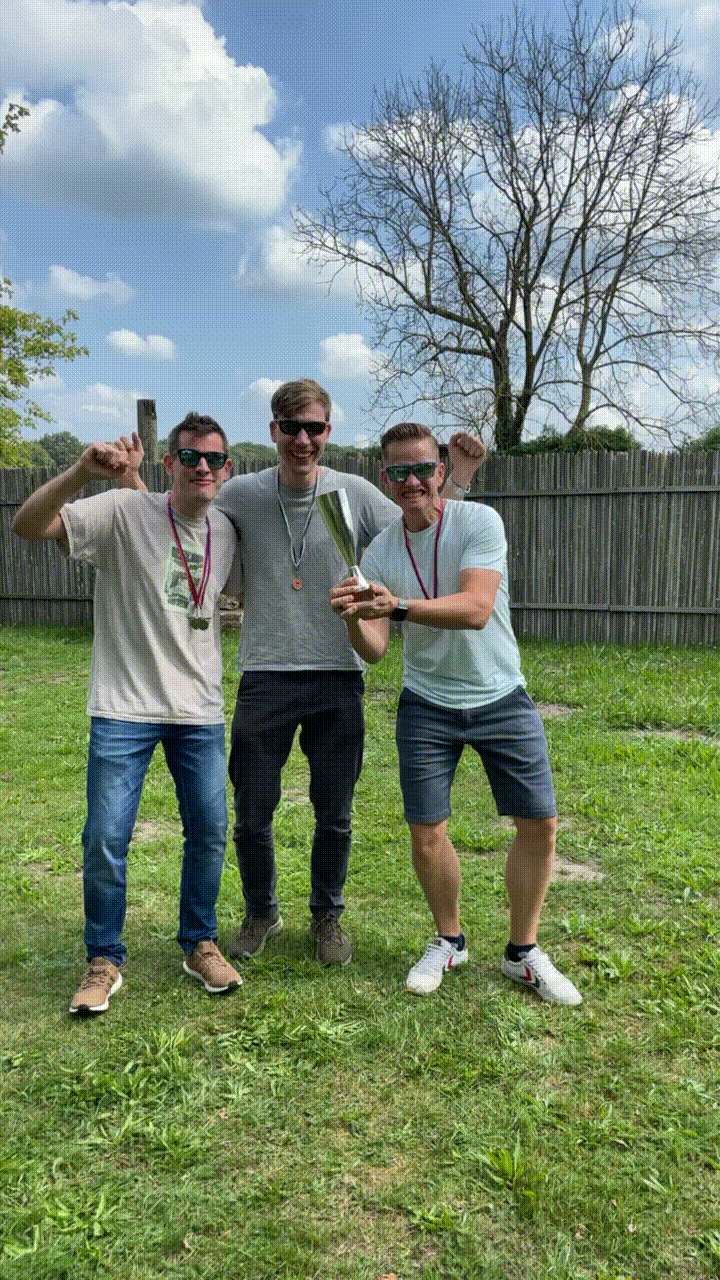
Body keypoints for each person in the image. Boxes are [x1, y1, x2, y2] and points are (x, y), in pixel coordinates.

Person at [214, 379, 485, 966]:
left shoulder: (357, 494)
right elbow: (182, 523)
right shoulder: (239, 494)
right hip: (265, 672)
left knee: (333, 809)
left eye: (315, 428)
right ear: (274, 432)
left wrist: (456, 476)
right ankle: (260, 911)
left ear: (328, 433)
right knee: (252, 807)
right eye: (292, 428)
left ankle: (326, 916)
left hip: (338, 676)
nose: (303, 440)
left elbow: (425, 525)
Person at [330, 421, 582, 1005]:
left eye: (423, 468)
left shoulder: (478, 521)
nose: (412, 480)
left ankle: (523, 952)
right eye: (398, 471)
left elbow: (475, 607)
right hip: (428, 704)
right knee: (426, 834)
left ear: (442, 471)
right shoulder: (379, 550)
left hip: (501, 695)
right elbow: (374, 650)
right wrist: (352, 614)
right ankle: (449, 941)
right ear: (385, 478)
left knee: (538, 824)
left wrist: (397, 606)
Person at [12, 414, 243, 1015]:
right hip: (124, 706)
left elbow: (169, 554)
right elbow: (26, 525)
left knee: (210, 833)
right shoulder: (118, 508)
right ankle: (105, 958)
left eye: (213, 460)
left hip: (199, 709)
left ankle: (199, 943)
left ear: (227, 469)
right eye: (190, 457)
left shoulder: (227, 527)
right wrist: (81, 472)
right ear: (170, 463)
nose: (202, 468)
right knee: (107, 837)